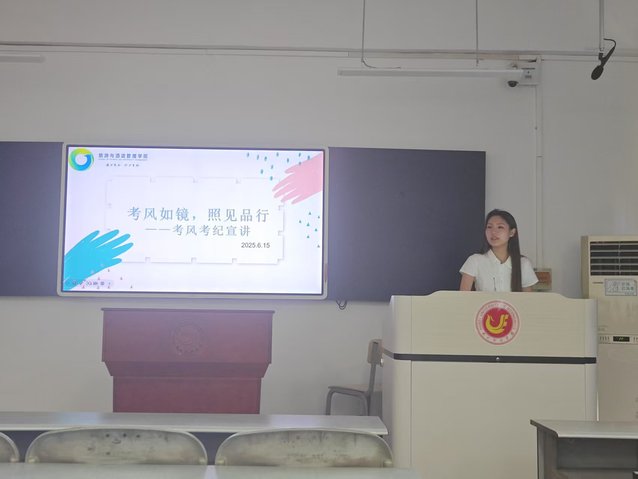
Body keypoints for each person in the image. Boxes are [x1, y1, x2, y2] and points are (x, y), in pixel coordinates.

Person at [459, 209, 538, 292]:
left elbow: (528, 299)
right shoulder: (475, 260)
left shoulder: (523, 263)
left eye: (500, 227)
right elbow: (463, 297)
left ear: (512, 232)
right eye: (489, 227)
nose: (493, 232)